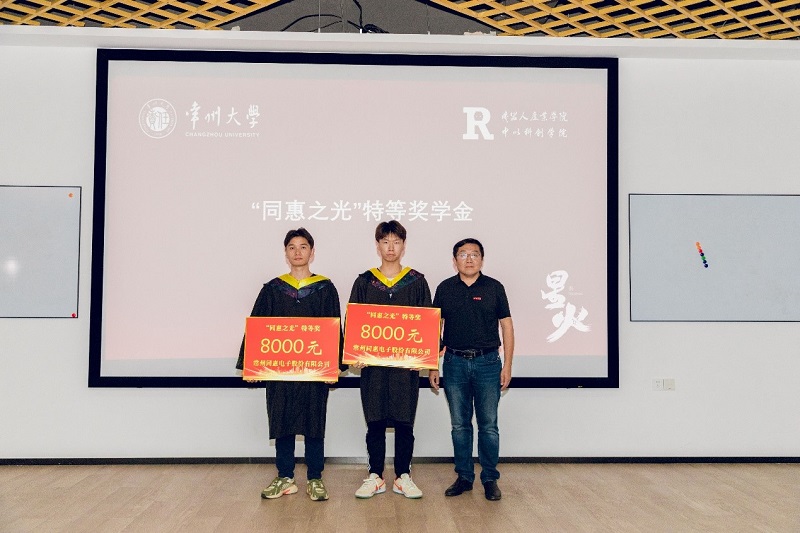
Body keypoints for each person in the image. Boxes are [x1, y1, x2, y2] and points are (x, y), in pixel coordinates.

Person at [236, 228, 342, 502]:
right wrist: (251, 365)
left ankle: (315, 478)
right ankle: (285, 477)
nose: (297, 252)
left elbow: (334, 327)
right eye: (292, 247)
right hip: (280, 371)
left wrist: (334, 366)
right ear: (285, 253)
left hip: (314, 372)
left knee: (314, 422)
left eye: (303, 246)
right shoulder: (273, 289)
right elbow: (257, 327)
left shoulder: (325, 288)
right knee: (282, 420)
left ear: (312, 252)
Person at [349, 220, 432, 499]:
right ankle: (375, 475)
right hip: (373, 367)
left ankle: (403, 476)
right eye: (385, 242)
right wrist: (354, 354)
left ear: (403, 245)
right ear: (378, 245)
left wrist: (424, 357)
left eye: (396, 242)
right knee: (374, 421)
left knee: (404, 422)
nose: (391, 247)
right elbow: (354, 321)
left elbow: (428, 324)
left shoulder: (417, 282)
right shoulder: (364, 281)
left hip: (405, 368)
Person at [429, 238, 514, 501]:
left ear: (482, 259)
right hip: (454, 363)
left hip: (488, 363)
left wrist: (508, 365)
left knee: (488, 425)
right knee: (459, 425)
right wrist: (432, 365)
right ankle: (464, 477)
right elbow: (434, 328)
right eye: (463, 254)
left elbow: (507, 326)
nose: (469, 259)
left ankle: (489, 478)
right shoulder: (445, 288)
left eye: (474, 254)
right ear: (454, 260)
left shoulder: (494, 287)